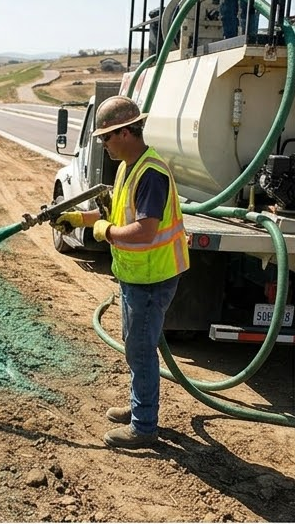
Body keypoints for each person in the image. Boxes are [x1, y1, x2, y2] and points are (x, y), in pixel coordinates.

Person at [52, 96, 190, 449]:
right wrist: (78, 220)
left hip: (153, 277)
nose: (103, 144)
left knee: (141, 350)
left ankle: (144, 426)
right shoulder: (130, 166)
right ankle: (137, 407)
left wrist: (104, 234)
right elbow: (114, 214)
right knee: (135, 347)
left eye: (106, 138)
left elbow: (143, 231)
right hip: (137, 275)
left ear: (127, 132)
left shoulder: (151, 174)